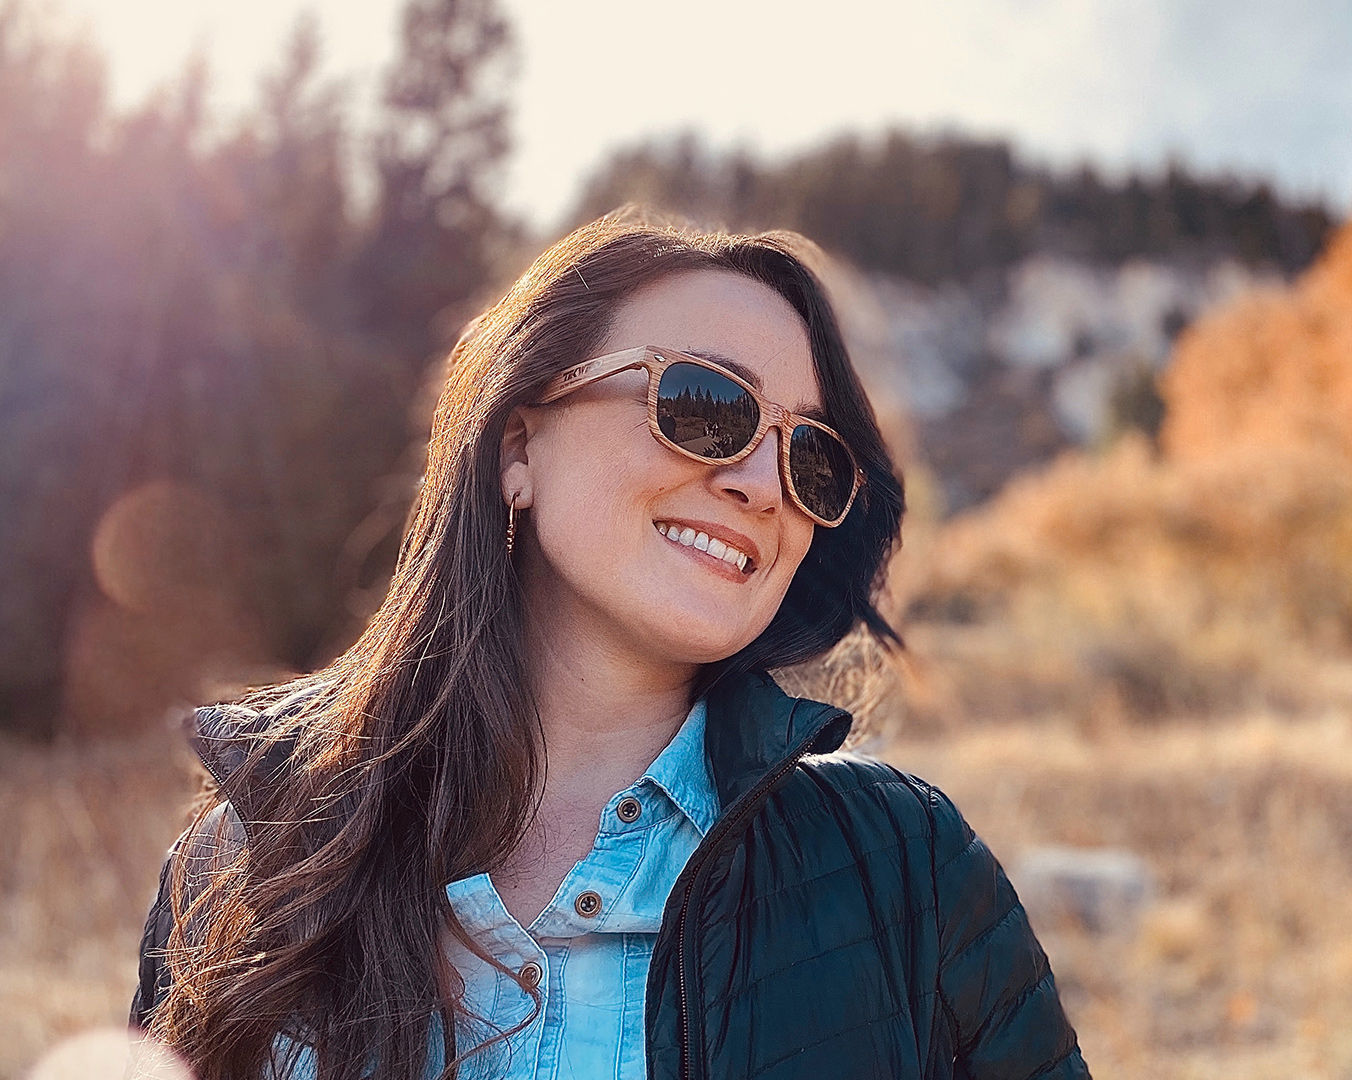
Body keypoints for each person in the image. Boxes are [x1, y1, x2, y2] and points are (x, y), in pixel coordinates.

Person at [129, 216, 1090, 1080]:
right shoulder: (250, 863)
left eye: (811, 459)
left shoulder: (903, 866)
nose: (764, 486)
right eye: (709, 407)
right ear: (518, 449)